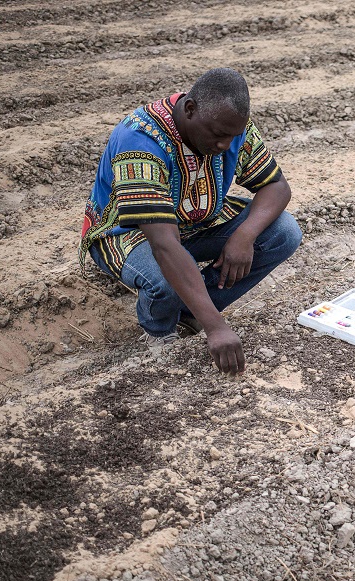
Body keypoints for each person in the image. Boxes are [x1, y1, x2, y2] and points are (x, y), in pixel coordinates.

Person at [79, 68, 301, 374]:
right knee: (165, 279)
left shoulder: (232, 127)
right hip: (130, 234)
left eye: (231, 137)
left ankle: (188, 312)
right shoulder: (140, 139)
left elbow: (277, 187)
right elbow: (165, 245)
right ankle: (160, 329)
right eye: (217, 134)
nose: (224, 144)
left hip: (197, 220)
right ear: (190, 109)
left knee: (283, 232)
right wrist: (217, 327)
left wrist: (244, 236)